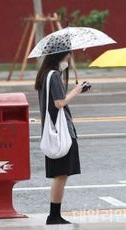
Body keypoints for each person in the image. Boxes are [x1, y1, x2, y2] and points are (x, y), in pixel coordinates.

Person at [35, 51, 90, 225]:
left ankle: (55, 214)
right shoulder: (54, 75)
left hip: (54, 131)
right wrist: (77, 89)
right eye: (68, 55)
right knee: (61, 175)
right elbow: (59, 102)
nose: (69, 59)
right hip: (61, 132)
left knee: (61, 175)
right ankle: (54, 215)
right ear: (60, 56)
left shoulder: (46, 75)